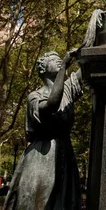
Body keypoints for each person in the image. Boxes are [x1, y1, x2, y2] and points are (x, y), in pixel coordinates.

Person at [4, 50, 82, 210]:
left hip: (64, 155)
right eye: (54, 59)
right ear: (42, 68)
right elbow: (52, 104)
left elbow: (87, 68)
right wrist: (64, 69)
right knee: (38, 203)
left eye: (60, 59)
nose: (59, 60)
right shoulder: (34, 96)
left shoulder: (67, 88)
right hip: (41, 156)